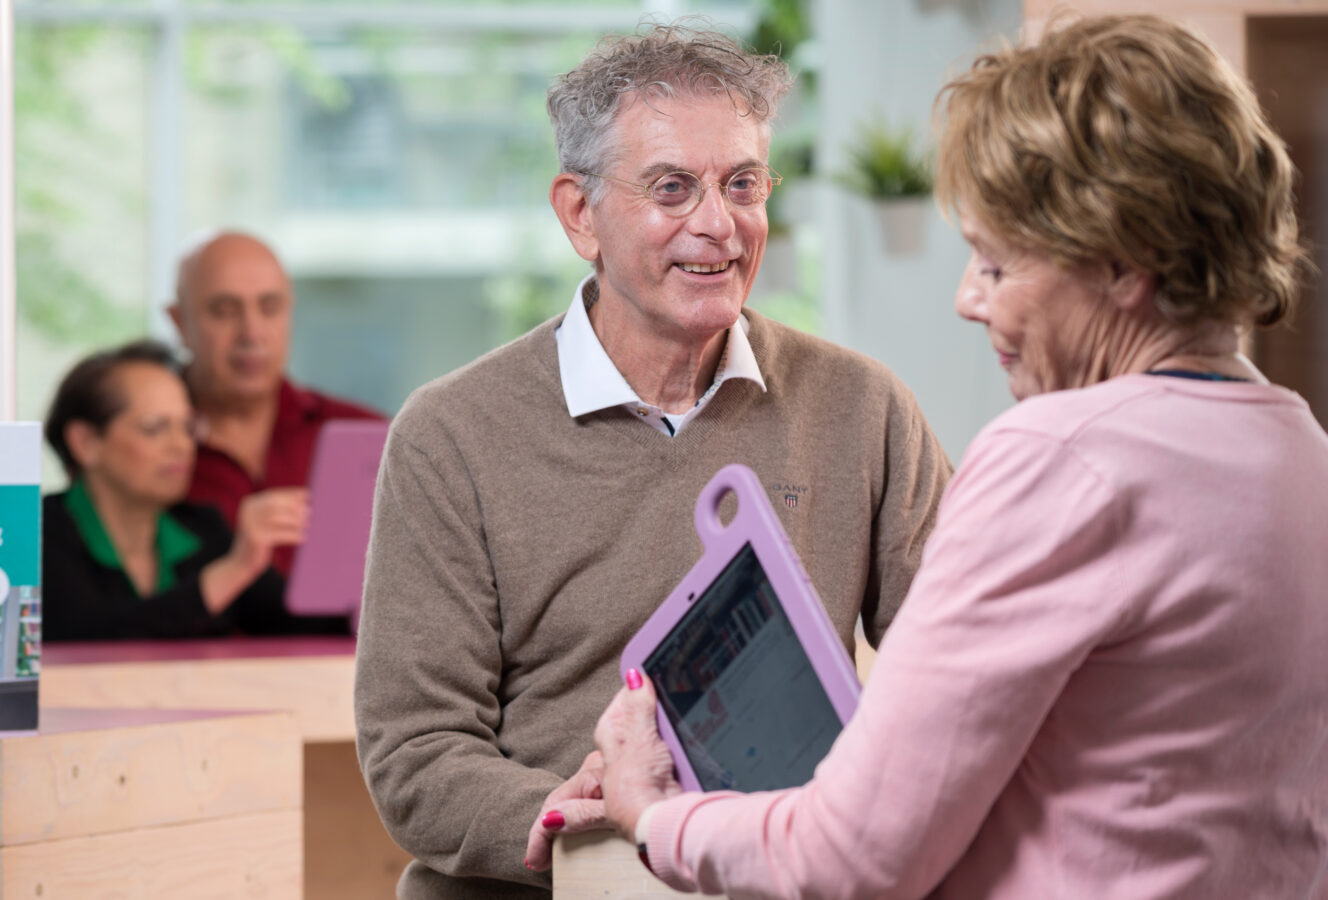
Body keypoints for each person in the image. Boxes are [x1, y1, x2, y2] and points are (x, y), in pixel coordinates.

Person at [566, 16, 1328, 898]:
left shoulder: (1059, 457)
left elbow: (851, 855)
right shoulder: (1300, 450)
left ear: (1127, 266)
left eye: (997, 265)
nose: (969, 300)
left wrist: (653, 812)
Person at [355, 24, 952, 898]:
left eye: (742, 184)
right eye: (672, 188)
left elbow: (952, 671)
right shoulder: (450, 434)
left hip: (781, 871)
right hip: (560, 878)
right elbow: (415, 750)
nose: (718, 224)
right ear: (578, 213)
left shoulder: (863, 406)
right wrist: (572, 813)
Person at [42, 339, 339, 640]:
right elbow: (86, 637)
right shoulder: (37, 533)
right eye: (155, 427)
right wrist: (233, 570)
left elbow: (300, 623)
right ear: (86, 443)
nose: (181, 445)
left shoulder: (203, 528)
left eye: (187, 427)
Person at [168, 231, 384, 577]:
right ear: (179, 322)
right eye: (224, 312)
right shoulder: (136, 447)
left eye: (270, 308)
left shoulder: (369, 435)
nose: (252, 332)